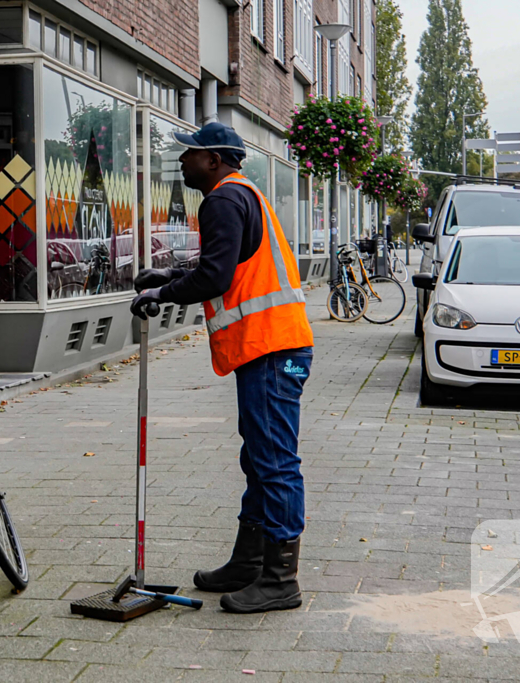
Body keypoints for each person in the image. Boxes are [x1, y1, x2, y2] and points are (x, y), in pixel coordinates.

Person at [131, 122, 314, 614]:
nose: (182, 161)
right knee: (261, 458)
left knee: (274, 461)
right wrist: (170, 274)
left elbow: (215, 277)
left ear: (214, 159)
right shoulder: (243, 195)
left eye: (190, 154)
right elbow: (228, 265)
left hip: (270, 352)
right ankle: (250, 561)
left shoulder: (222, 200)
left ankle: (281, 579)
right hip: (281, 351)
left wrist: (159, 296)